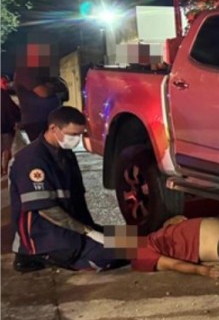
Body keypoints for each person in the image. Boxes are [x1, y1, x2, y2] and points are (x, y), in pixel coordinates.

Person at [10, 106, 126, 273]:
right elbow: (46, 210)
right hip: (46, 238)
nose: (77, 139)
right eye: (72, 134)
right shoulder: (31, 160)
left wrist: (91, 229)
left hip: (71, 231)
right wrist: (88, 232)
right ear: (53, 129)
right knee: (120, 252)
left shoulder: (65, 154)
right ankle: (33, 257)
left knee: (133, 238)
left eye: (80, 134)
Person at [16, 75, 62, 142]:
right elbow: (44, 92)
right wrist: (54, 88)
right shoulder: (26, 72)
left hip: (45, 119)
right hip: (38, 120)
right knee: (45, 147)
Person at [1, 75, 21, 176]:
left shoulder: (5, 95)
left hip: (6, 127)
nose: (6, 85)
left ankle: (3, 170)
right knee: (6, 149)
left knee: (5, 149)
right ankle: (5, 169)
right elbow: (13, 109)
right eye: (3, 82)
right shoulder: (4, 95)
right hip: (6, 127)